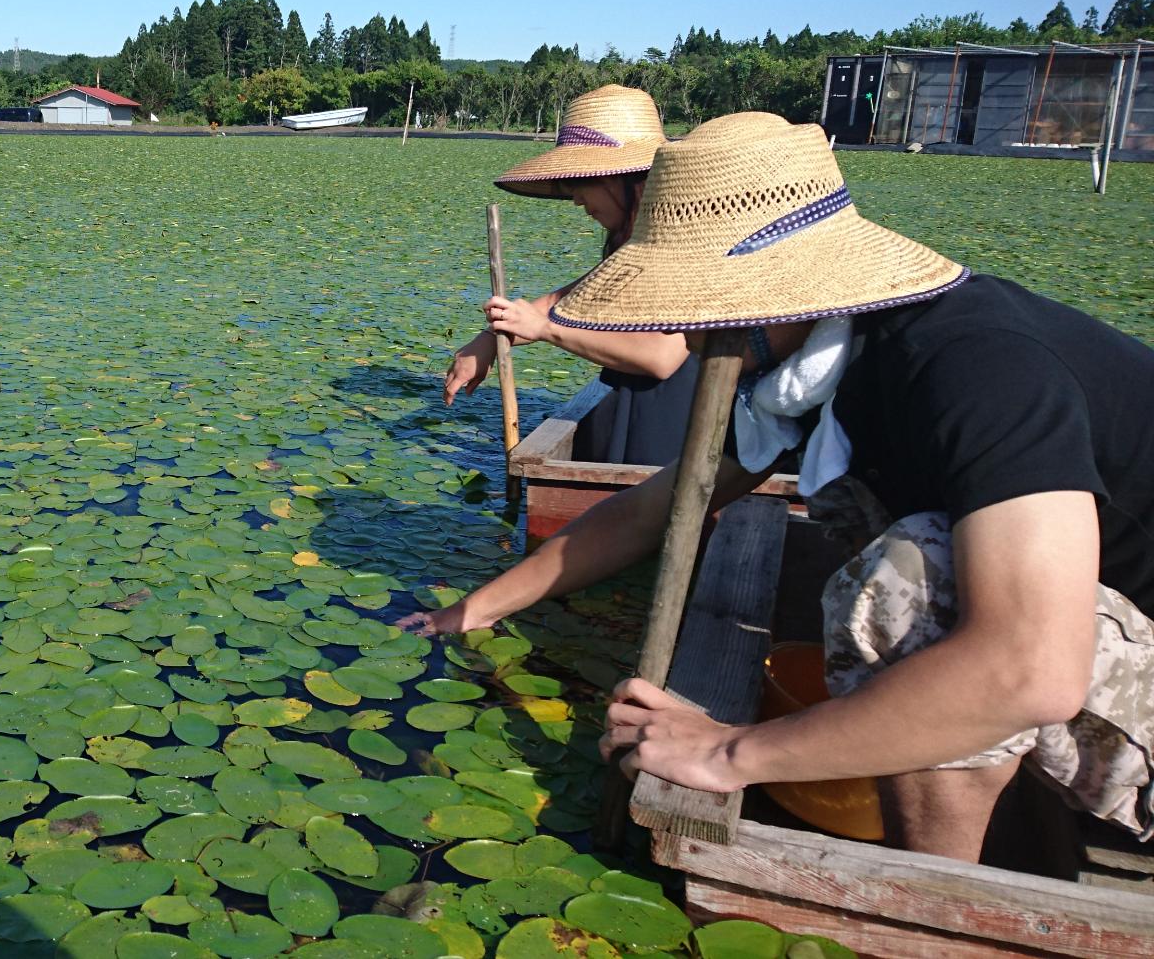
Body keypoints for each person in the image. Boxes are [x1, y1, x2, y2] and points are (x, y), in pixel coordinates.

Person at [402, 113, 1154, 862]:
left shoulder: (977, 365)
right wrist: (471, 610)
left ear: (771, 287)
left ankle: (931, 910)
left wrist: (730, 752)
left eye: (694, 301)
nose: (685, 332)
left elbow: (1030, 665)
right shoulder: (813, 370)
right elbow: (650, 511)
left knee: (911, 579)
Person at [444, 85, 694, 465]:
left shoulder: (681, 241)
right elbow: (566, 302)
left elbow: (662, 356)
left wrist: (546, 331)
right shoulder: (638, 242)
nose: (576, 200)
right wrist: (490, 338)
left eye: (581, 184)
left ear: (621, 178)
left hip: (680, 421)